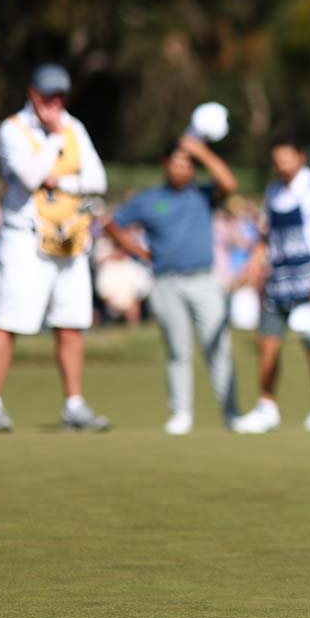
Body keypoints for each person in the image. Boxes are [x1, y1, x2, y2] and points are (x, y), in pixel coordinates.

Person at [0, 64, 111, 432]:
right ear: (33, 94)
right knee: (10, 319)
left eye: (60, 96)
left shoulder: (76, 127)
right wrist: (54, 141)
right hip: (25, 239)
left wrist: (62, 180)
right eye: (47, 96)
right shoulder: (12, 130)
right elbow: (31, 176)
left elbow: (97, 179)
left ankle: (74, 404)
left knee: (71, 323)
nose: (54, 103)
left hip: (70, 238)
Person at [104, 135, 240, 435]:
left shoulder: (203, 194)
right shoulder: (148, 200)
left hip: (204, 280)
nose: (183, 169)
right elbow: (112, 223)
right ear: (164, 165)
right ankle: (181, 413)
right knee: (178, 350)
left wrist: (201, 151)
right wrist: (137, 251)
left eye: (188, 165)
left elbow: (230, 183)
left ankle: (231, 414)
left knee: (218, 347)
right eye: (177, 163)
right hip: (167, 282)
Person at [231, 133, 310, 433]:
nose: (281, 165)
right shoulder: (273, 192)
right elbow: (266, 237)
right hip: (277, 279)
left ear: (300, 157)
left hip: (308, 277)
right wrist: (253, 265)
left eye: (286, 158)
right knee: (267, 343)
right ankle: (266, 406)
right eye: (277, 160)